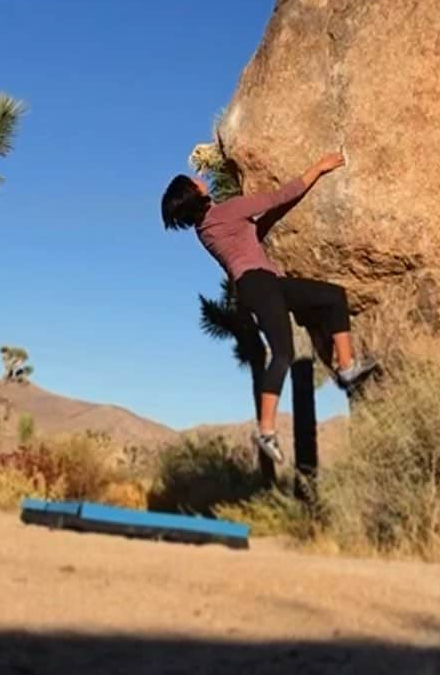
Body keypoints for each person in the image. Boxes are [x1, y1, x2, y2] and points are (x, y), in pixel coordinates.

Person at [162, 152, 378, 464]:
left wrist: (264, 224)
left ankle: (347, 367)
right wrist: (317, 167)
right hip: (259, 286)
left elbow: (253, 233)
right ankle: (266, 430)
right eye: (194, 181)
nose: (199, 179)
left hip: (263, 286)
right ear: (194, 192)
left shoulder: (206, 229)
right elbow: (279, 197)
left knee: (333, 297)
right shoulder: (229, 210)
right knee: (283, 354)